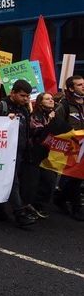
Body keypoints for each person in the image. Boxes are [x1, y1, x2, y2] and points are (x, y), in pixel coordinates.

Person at [0, 79, 39, 227]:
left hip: (20, 151)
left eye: (28, 96)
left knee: (9, 181)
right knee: (13, 182)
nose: (26, 99)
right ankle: (20, 213)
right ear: (13, 93)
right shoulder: (2, 106)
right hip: (5, 152)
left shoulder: (24, 108)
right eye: (23, 95)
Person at [23, 92, 65, 218]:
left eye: (52, 98)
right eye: (47, 99)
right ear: (40, 102)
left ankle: (39, 205)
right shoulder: (35, 116)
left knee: (49, 181)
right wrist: (51, 122)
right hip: (35, 153)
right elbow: (38, 133)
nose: (51, 100)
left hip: (49, 154)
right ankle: (27, 207)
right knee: (32, 183)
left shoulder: (55, 115)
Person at [53, 75, 84, 220]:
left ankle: (60, 198)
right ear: (71, 88)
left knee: (77, 178)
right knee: (75, 177)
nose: (83, 86)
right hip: (71, 147)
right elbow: (56, 125)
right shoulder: (64, 105)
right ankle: (76, 208)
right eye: (79, 85)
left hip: (83, 146)